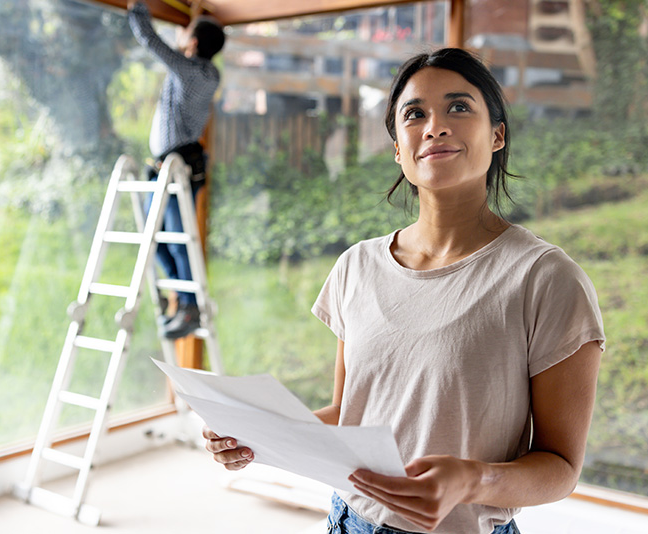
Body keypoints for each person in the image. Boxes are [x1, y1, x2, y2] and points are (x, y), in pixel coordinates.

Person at [202, 48, 605, 534]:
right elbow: (351, 415)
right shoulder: (357, 265)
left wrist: (471, 481)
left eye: (459, 107)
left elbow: (560, 468)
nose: (435, 126)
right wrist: (258, 434)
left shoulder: (545, 278)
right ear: (398, 148)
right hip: (348, 521)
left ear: (497, 134)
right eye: (414, 114)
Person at [127, 1, 225, 339]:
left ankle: (188, 306)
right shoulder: (208, 73)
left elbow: (151, 41)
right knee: (155, 241)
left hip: (177, 167)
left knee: (177, 241)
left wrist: (138, 9)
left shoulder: (189, 71)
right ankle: (182, 300)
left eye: (188, 34)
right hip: (169, 166)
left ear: (194, 43)